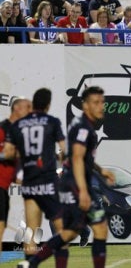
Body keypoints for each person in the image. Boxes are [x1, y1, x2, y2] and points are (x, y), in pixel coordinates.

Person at [17, 86, 115, 268]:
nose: (101, 106)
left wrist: (101, 171)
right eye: (96, 102)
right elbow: (76, 158)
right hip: (74, 186)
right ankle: (31, 262)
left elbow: (80, 157)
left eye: (103, 102)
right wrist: (84, 191)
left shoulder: (85, 125)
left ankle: (30, 263)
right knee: (73, 231)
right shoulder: (81, 127)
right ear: (85, 105)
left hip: (62, 185)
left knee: (71, 232)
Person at [4, 88, 68, 267]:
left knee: (31, 234)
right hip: (48, 182)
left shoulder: (17, 125)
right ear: (47, 105)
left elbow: (8, 153)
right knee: (64, 233)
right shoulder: (52, 122)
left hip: (29, 183)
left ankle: (28, 264)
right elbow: (65, 150)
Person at [0, 98, 31, 259]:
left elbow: (11, 171)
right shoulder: (3, 129)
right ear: (17, 109)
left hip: (3, 188)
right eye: (28, 108)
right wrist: (9, 154)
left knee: (1, 227)